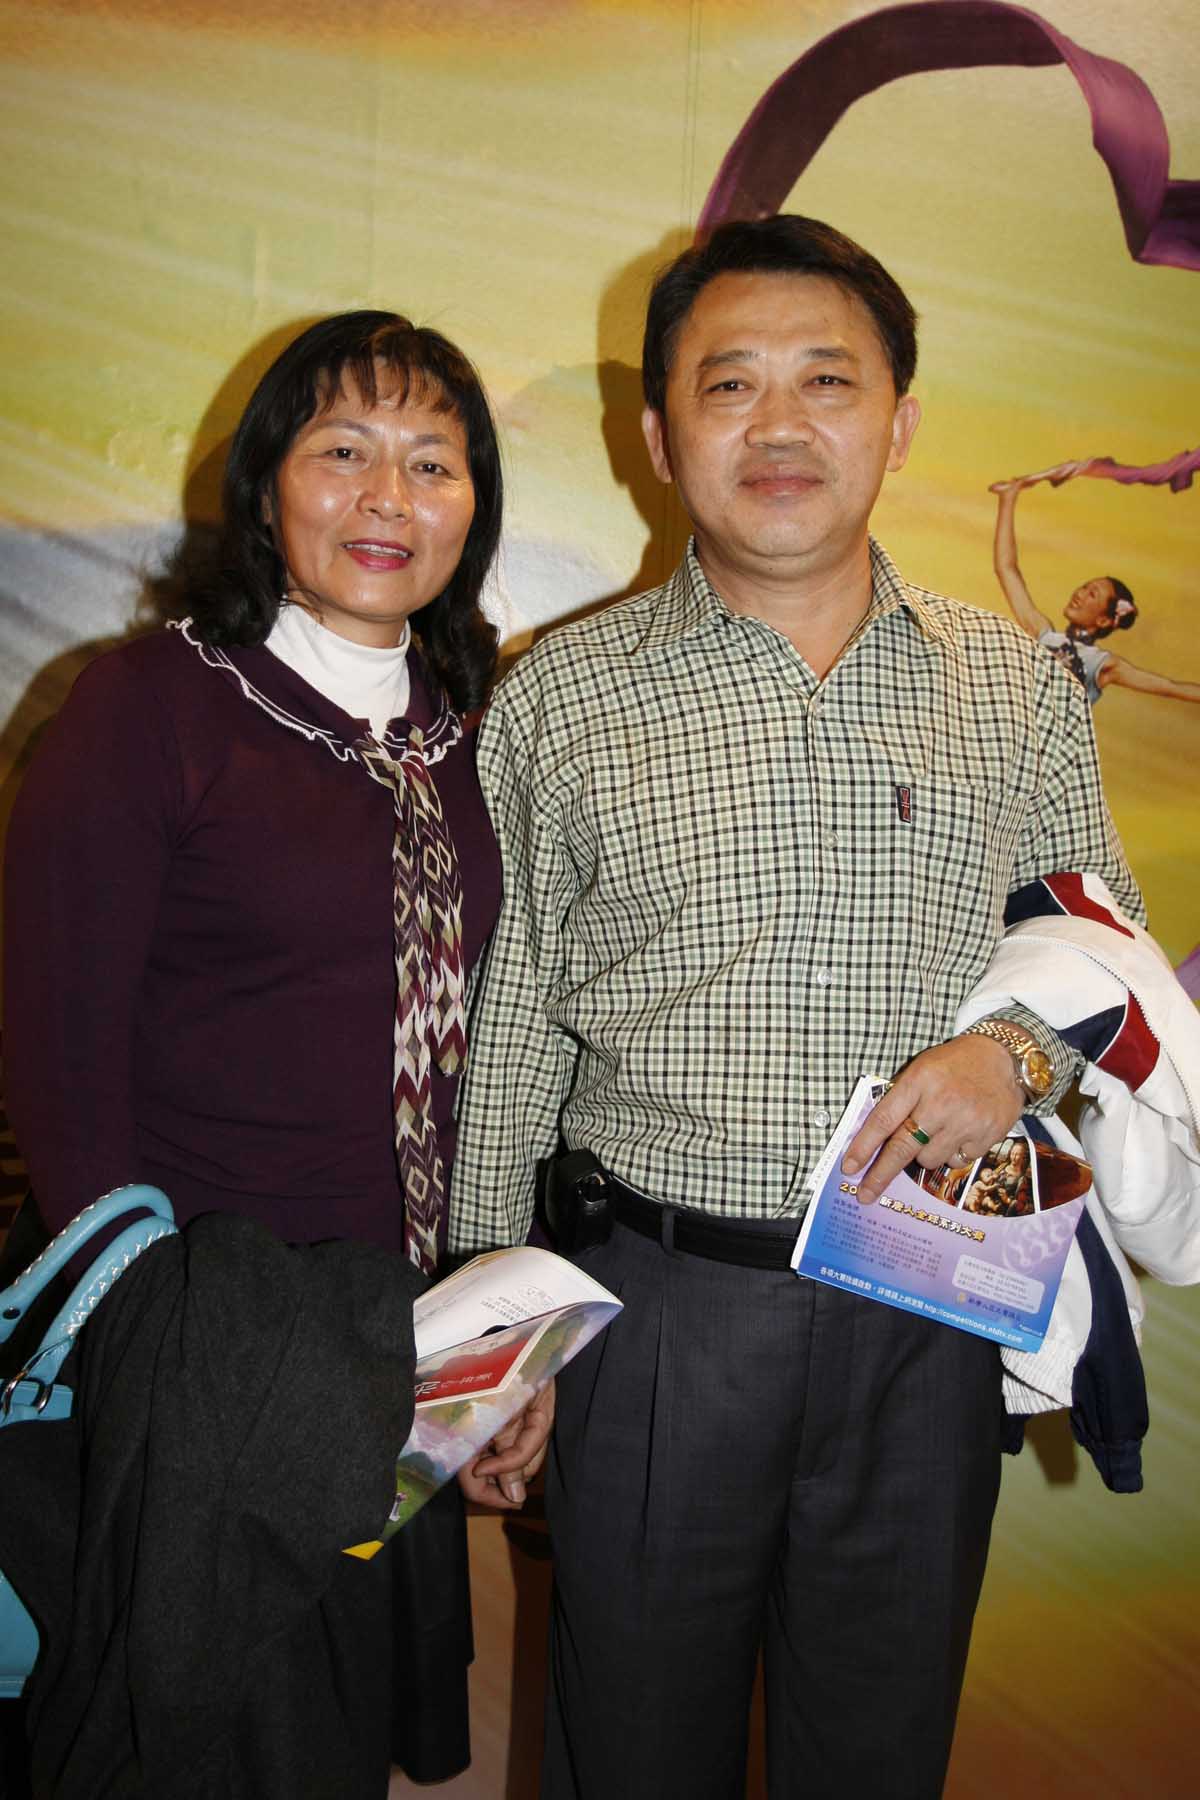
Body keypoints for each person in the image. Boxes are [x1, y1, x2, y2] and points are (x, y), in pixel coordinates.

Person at [449, 217, 1144, 1798]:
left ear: (900, 422)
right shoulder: (560, 696)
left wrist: (1013, 1054)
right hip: (654, 1317)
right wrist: (496, 1339)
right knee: (632, 1753)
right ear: (657, 436)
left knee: (878, 1754)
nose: (779, 425)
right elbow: (515, 1026)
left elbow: (1106, 945)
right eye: (730, 383)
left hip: (934, 1299)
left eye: (828, 380)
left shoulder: (1018, 689)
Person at [2, 310, 552, 1794]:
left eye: (432, 462)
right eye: (343, 451)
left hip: (396, 1351)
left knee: (337, 1748)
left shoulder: (481, 742)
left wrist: (484, 1357)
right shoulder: (149, 706)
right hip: (206, 1360)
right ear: (263, 488)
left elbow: (499, 1064)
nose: (388, 497)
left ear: (474, 511)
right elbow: (60, 1066)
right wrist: (160, 1348)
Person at [990, 469, 1200, 705]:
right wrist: (1008, 499)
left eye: (1092, 594)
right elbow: (1006, 568)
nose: (1079, 594)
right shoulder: (1042, 633)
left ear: (1103, 620)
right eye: (1084, 587)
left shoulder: (1103, 665)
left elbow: (1170, 688)